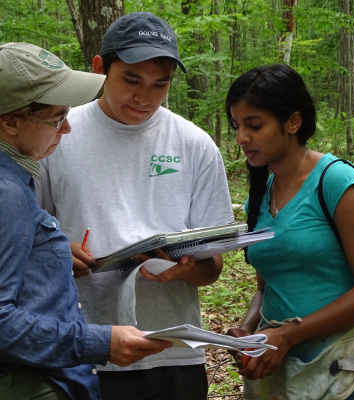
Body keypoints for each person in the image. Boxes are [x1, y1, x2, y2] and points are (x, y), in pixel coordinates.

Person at [35, 11, 234, 400]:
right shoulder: (58, 135)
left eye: (160, 85)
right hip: (83, 347)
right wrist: (58, 253)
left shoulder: (194, 145)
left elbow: (213, 268)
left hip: (173, 352)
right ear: (99, 68)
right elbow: (27, 239)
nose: (144, 97)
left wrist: (184, 270)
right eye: (131, 80)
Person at [0, 42, 171, 400]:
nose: (66, 130)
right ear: (10, 122)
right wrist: (101, 342)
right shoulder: (7, 192)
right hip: (32, 382)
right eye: (56, 118)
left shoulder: (17, 181)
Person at [225, 63, 354, 400]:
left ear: (293, 122)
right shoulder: (259, 197)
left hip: (342, 369)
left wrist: (288, 336)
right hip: (282, 375)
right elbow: (266, 287)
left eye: (254, 125)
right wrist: (247, 328)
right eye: (236, 126)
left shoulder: (336, 183)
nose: (242, 137)